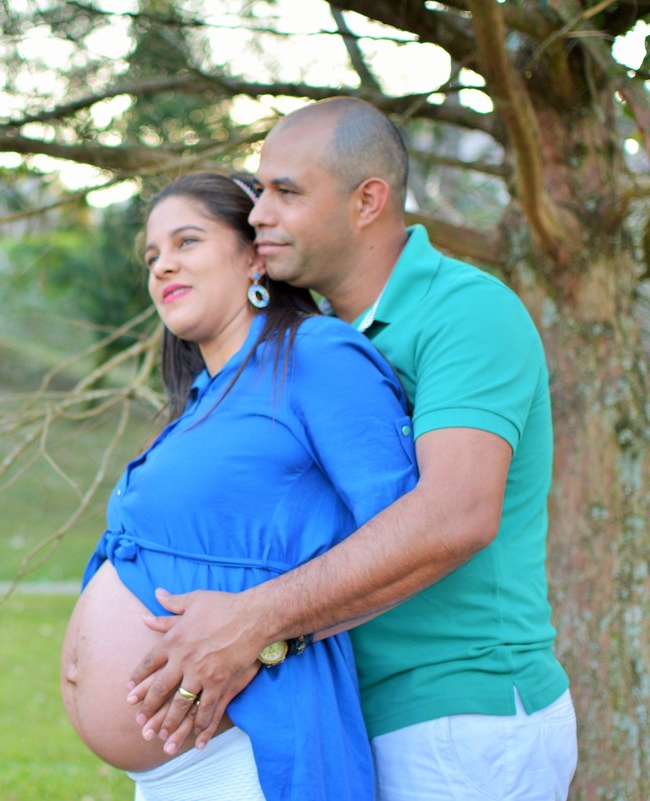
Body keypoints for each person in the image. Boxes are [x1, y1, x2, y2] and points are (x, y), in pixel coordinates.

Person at [127, 98, 577, 800]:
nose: (257, 214)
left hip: (455, 714)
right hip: (346, 713)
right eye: (259, 191)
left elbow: (456, 513)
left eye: (286, 192)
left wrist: (252, 621)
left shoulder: (465, 310)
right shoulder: (309, 344)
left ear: (367, 200)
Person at [60, 170, 420, 800]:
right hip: (175, 770)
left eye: (187, 242)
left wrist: (269, 632)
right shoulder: (205, 400)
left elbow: (409, 535)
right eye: (152, 256)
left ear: (255, 256)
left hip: (250, 750)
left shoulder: (317, 354)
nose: (162, 266)